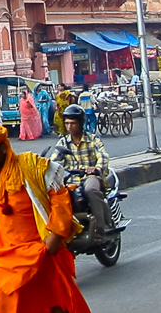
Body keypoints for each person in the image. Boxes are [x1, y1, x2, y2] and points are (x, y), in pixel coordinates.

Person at [0, 124, 91, 313]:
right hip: (3, 257)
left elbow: (60, 197)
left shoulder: (30, 166)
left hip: (39, 251)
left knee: (53, 304)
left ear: (3, 147)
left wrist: (55, 235)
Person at [55, 104, 110, 243]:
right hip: (70, 179)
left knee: (90, 190)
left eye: (73, 123)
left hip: (90, 177)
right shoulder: (63, 142)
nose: (70, 126)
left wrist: (96, 168)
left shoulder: (93, 139)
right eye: (67, 123)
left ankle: (101, 228)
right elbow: (53, 160)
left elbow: (103, 155)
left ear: (80, 123)